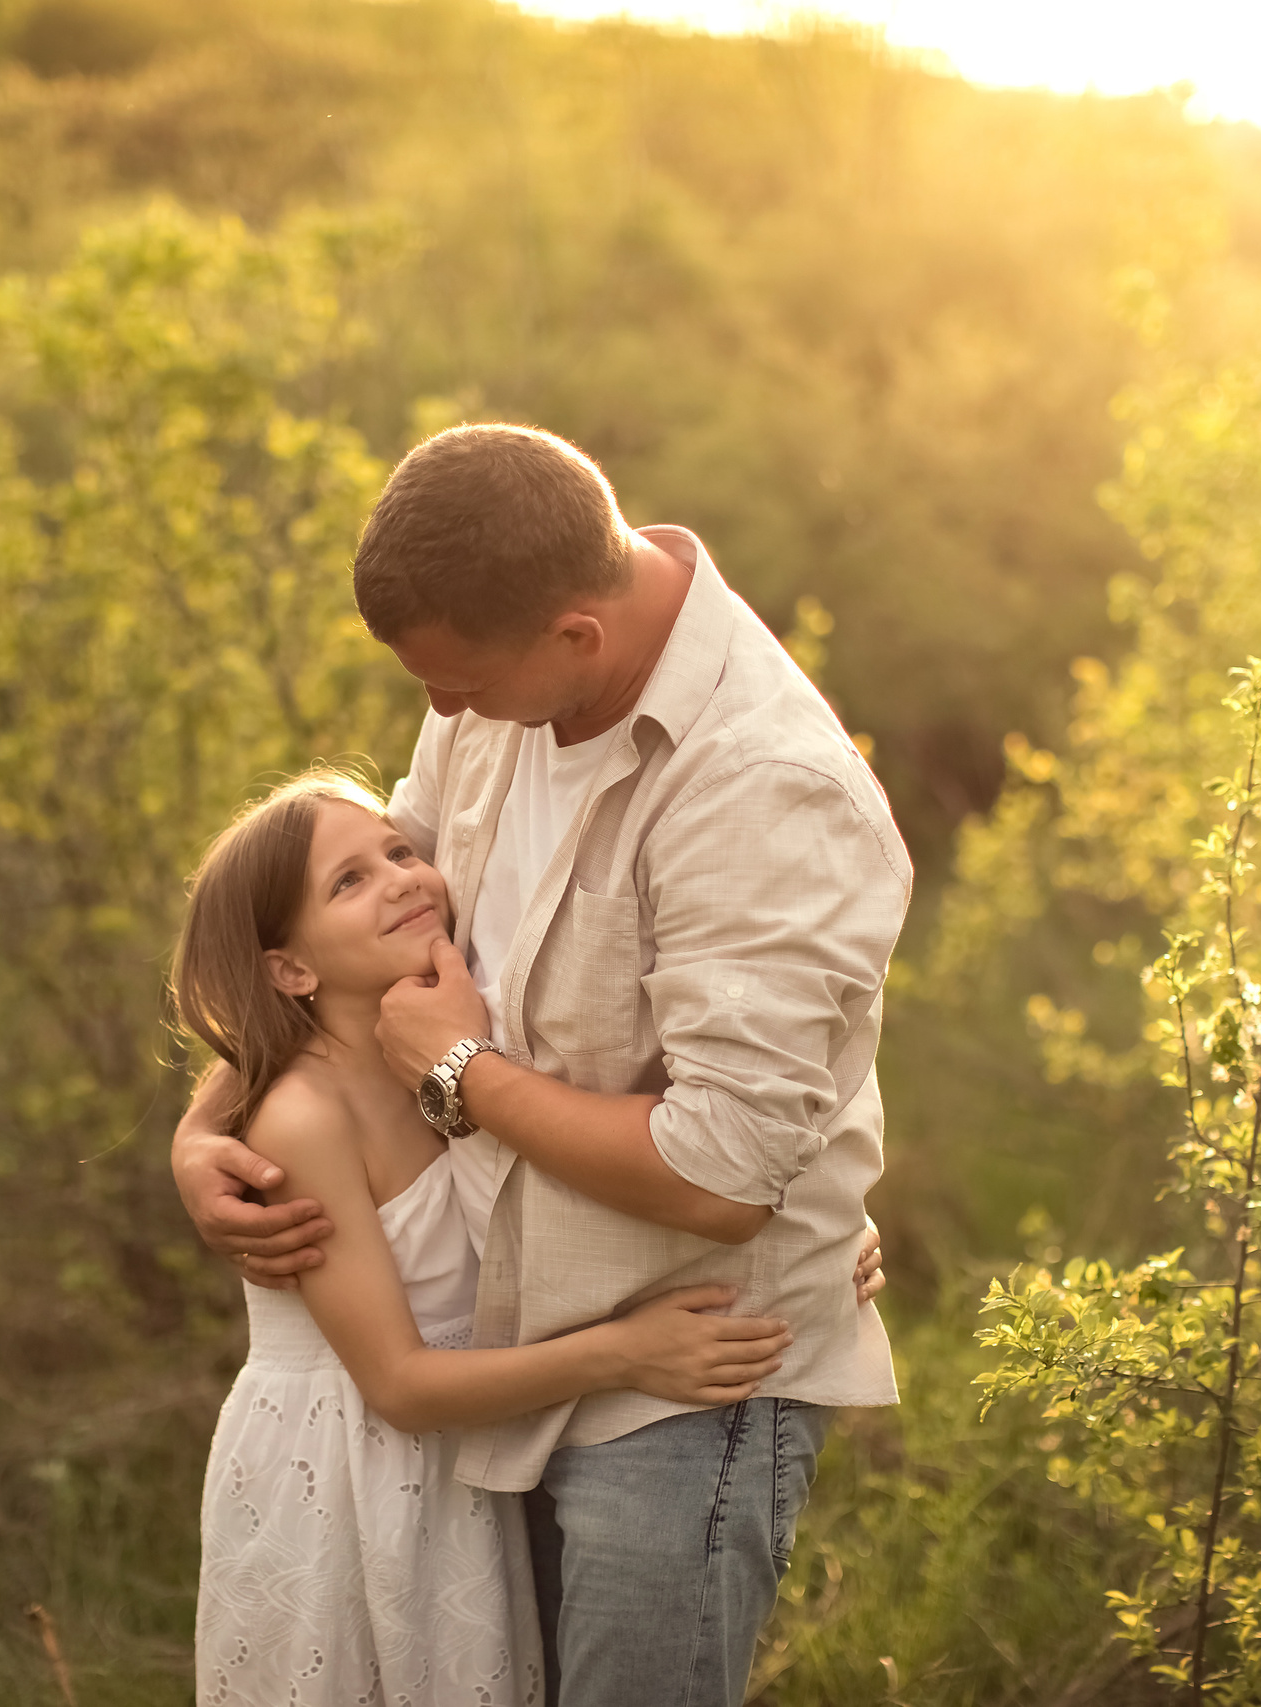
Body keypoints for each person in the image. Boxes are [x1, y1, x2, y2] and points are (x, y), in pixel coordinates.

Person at [174, 423, 910, 1707]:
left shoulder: (763, 789)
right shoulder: (505, 680)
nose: (443, 712)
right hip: (498, 1355)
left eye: (458, 684)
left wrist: (455, 1068)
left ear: (575, 633)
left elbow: (722, 1175)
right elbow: (323, 928)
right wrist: (212, 1123)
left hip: (679, 1370)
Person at [177, 769, 799, 1707]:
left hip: (453, 1474)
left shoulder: (448, 1041)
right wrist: (628, 1351)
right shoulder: (302, 1118)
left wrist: (807, 1233)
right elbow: (397, 1384)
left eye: (398, 850)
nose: (401, 878)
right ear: (290, 968)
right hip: (344, 1481)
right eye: (348, 882)